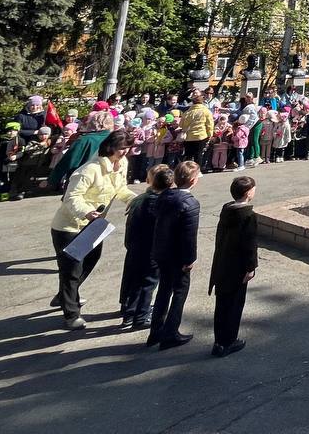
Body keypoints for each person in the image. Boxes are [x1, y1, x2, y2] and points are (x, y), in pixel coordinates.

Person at [49, 130, 135, 329]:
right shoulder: (89, 170)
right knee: (71, 269)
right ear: (110, 147)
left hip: (95, 225)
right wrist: (86, 211)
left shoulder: (122, 164)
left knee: (91, 259)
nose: (125, 152)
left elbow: (120, 189)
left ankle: (65, 294)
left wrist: (135, 200)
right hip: (68, 226)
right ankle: (71, 315)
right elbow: (71, 197)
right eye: (122, 148)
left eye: (127, 148)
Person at [148, 160, 201, 350]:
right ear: (193, 180)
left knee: (163, 290)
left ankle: (156, 331)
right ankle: (170, 333)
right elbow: (189, 235)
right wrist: (189, 259)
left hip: (161, 252)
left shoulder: (164, 196)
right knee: (179, 292)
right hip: (178, 256)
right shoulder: (190, 202)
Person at [209, 174, 259, 357]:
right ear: (247, 193)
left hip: (223, 263)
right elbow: (250, 244)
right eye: (253, 188)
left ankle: (219, 341)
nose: (255, 191)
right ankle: (228, 341)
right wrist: (251, 267)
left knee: (222, 304)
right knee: (235, 304)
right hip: (237, 267)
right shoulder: (248, 216)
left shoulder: (227, 209)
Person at [120, 164, 173, 330]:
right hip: (152, 250)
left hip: (135, 247)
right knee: (148, 283)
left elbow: (130, 226)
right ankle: (141, 316)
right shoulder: (161, 203)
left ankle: (129, 313)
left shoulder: (139, 199)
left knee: (135, 281)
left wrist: (129, 244)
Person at [179, 91, 214, 164]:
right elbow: (209, 125)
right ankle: (197, 171)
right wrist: (210, 135)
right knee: (198, 155)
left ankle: (187, 170)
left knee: (188, 155)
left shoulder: (187, 112)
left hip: (188, 137)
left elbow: (181, 125)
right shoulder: (206, 111)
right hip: (201, 135)